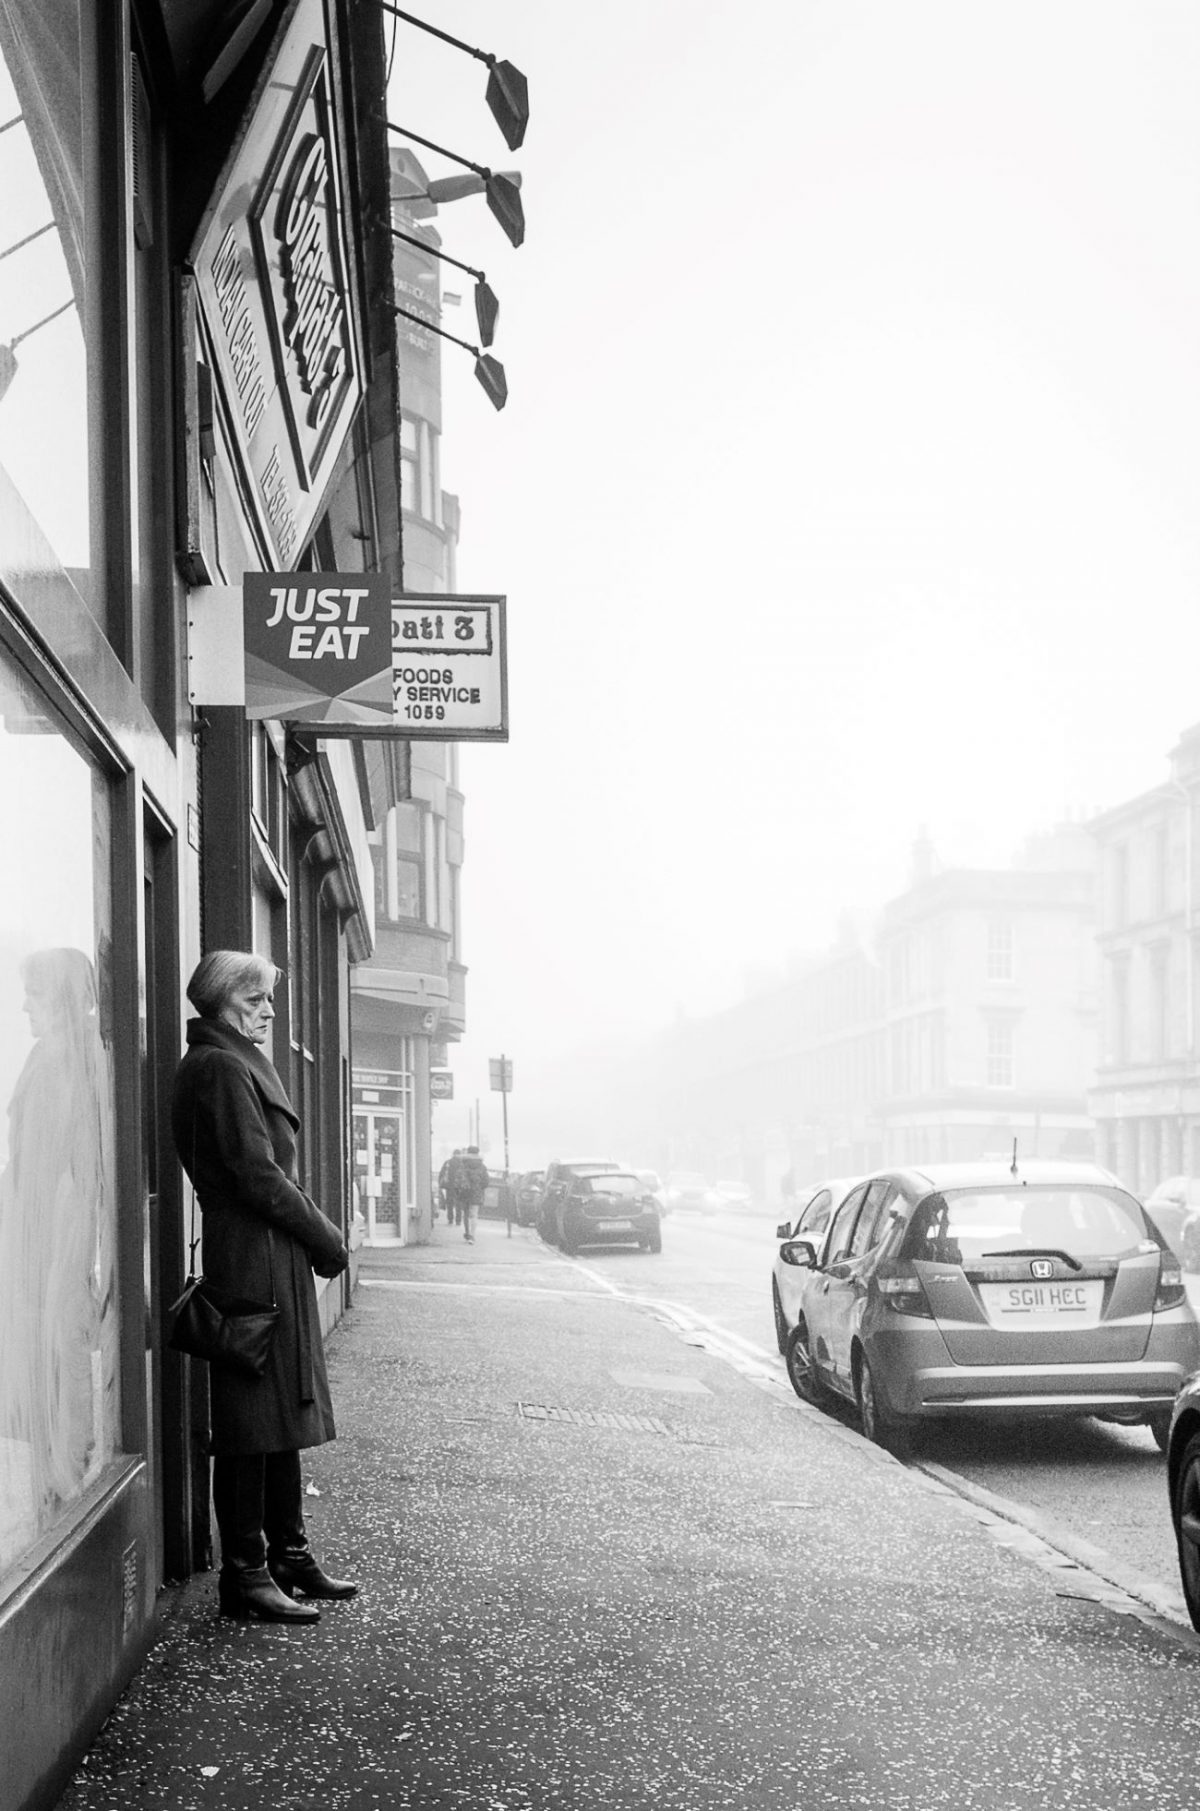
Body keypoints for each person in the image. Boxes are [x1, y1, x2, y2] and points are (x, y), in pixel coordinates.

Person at [171, 950, 355, 1625]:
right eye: (257, 999)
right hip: (252, 1256)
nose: (270, 1010)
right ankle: (246, 1573)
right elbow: (256, 1173)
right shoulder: (220, 1065)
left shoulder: (233, 1059)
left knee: (278, 1412)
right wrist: (325, 1236)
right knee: (252, 1420)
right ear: (224, 1000)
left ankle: (288, 1555)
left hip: (265, 1254)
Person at [460, 1145, 489, 1244]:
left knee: (466, 1214)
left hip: (465, 1192)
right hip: (477, 1192)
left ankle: (467, 1233)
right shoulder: (482, 1166)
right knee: (474, 1215)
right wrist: (480, 1187)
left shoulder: (464, 1165)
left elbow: (458, 1179)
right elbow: (486, 1182)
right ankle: (472, 1235)